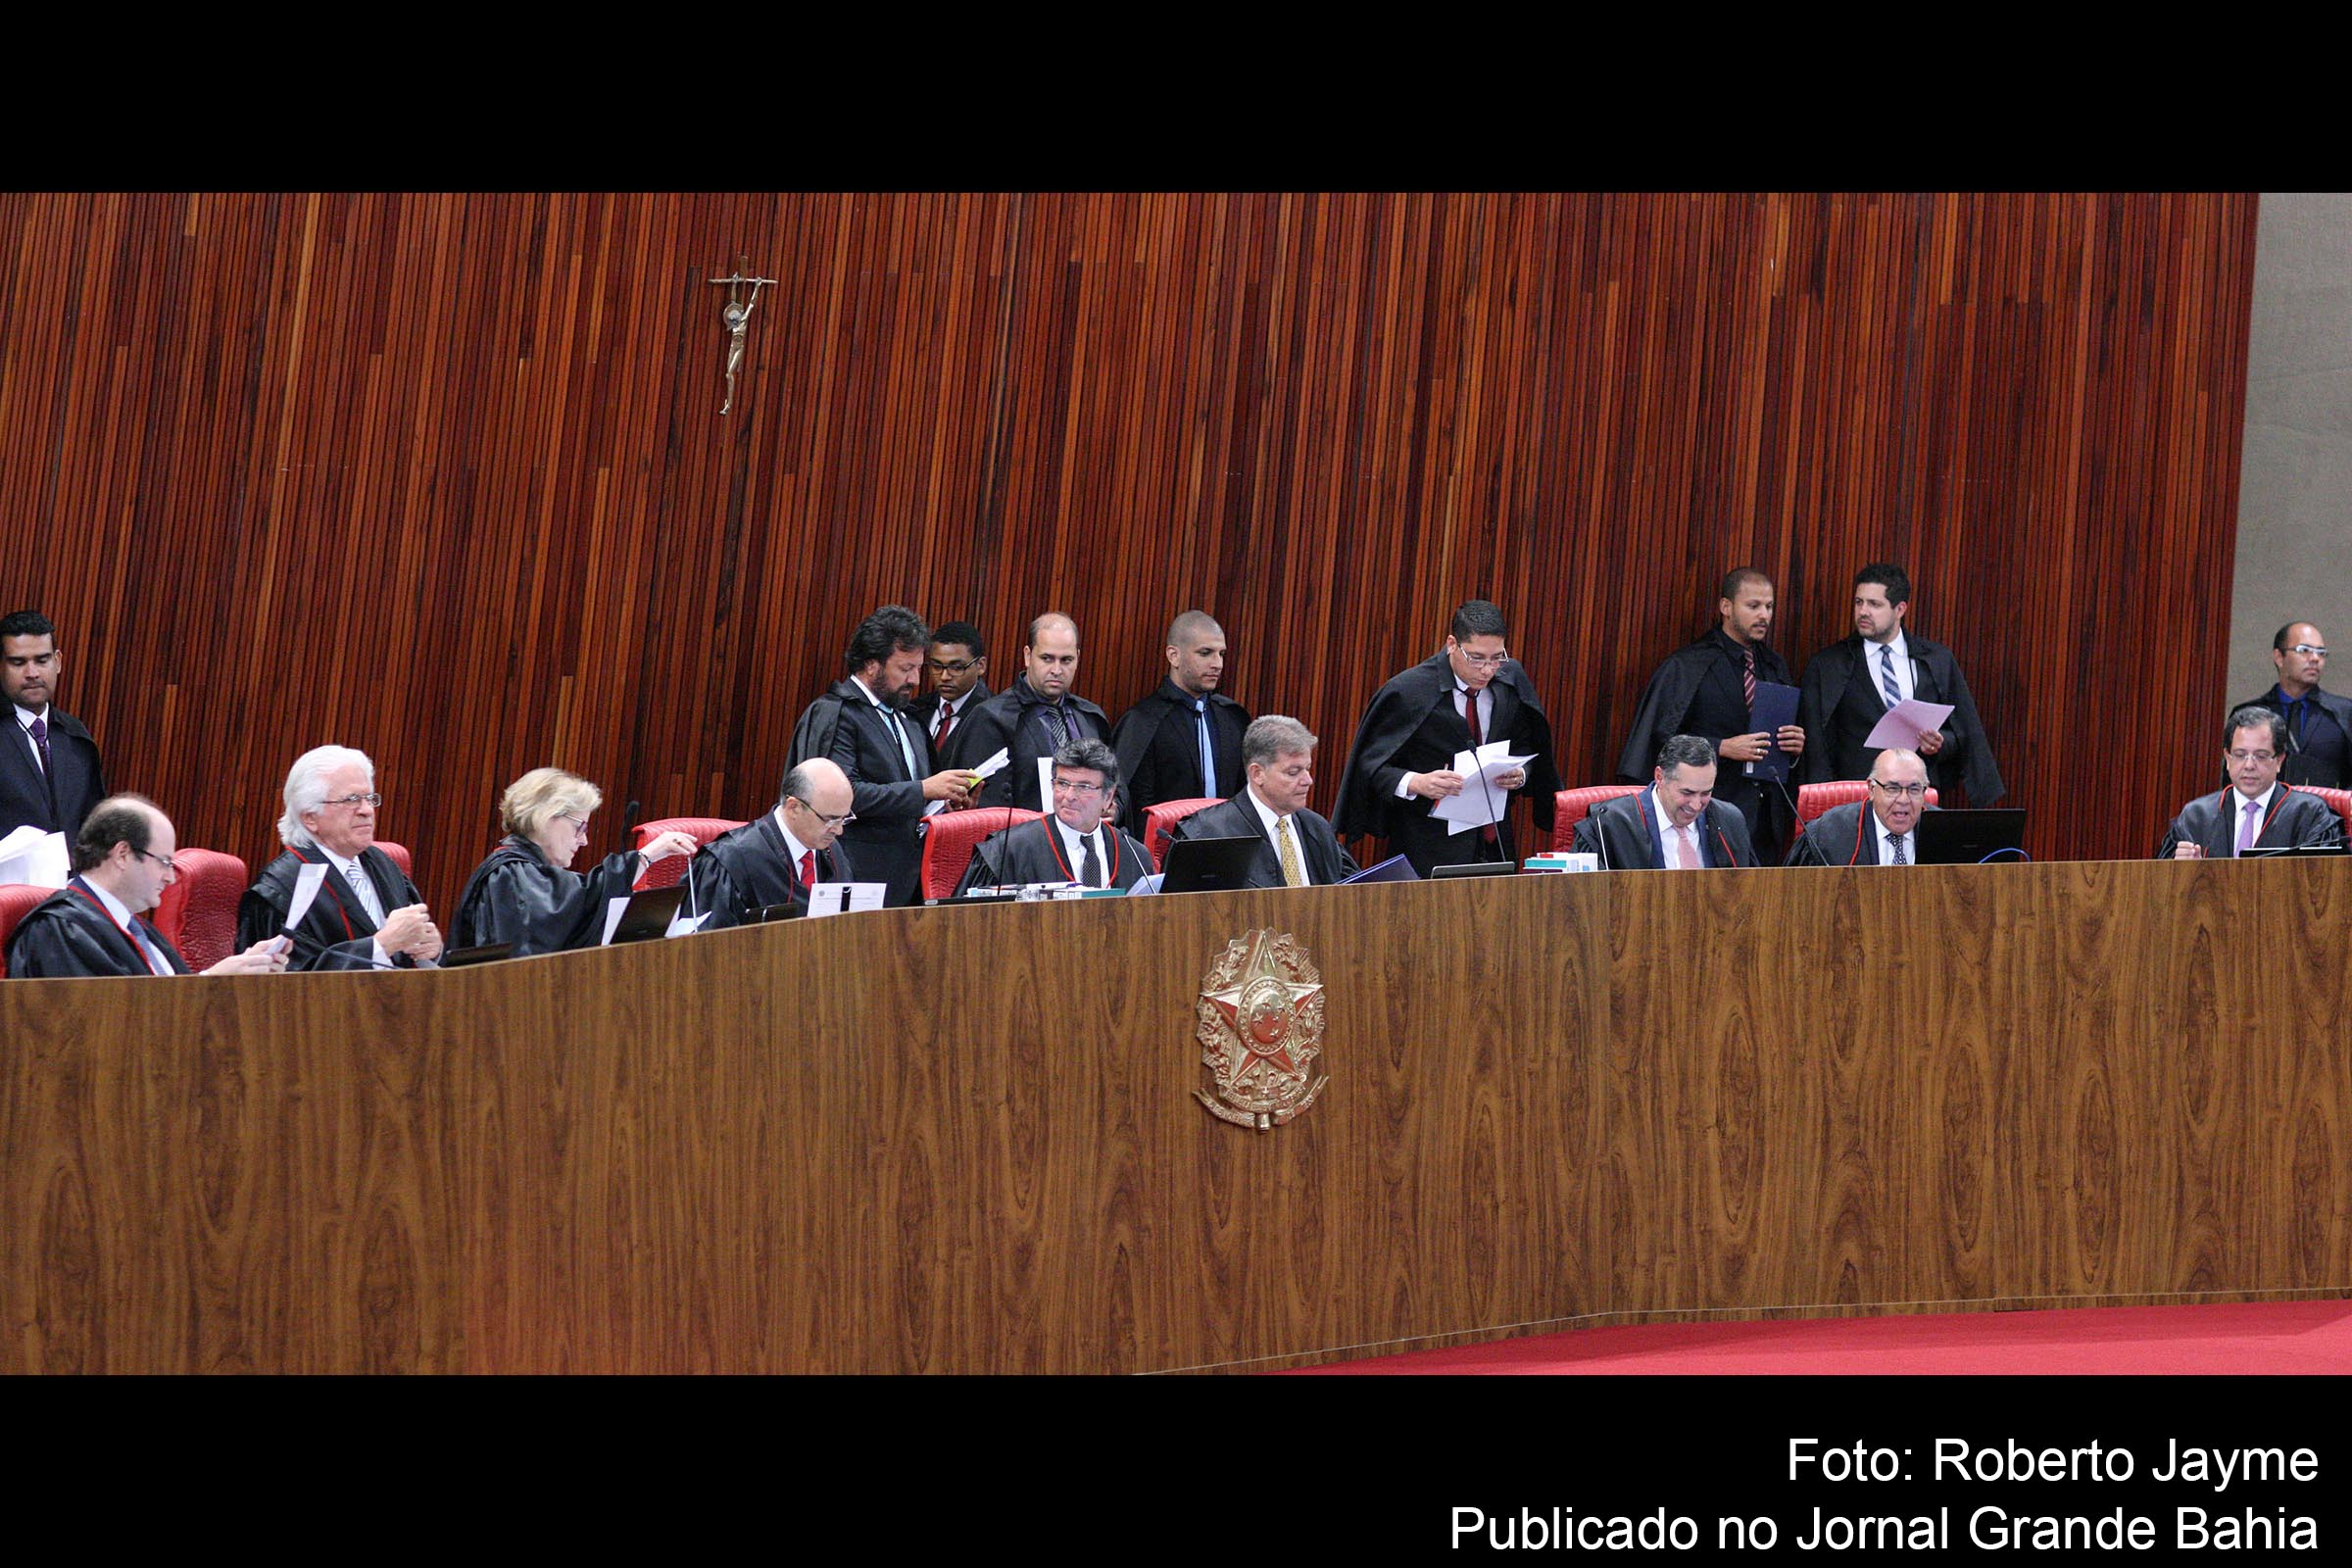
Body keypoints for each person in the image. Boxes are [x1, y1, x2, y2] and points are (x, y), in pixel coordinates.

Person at [1332, 600, 1561, 874]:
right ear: (1452, 644)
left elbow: (1529, 746)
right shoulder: (1409, 691)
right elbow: (1371, 767)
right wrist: (1416, 782)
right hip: (1428, 846)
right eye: (1476, 658)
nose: (1487, 670)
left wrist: (1521, 773)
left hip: (1495, 842)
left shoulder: (1509, 680)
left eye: (1496, 657)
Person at [788, 606, 973, 907]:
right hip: (853, 875)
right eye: (905, 668)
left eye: (918, 668)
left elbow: (914, 793)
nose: (915, 679)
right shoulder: (837, 714)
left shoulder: (908, 719)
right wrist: (923, 790)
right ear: (872, 664)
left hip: (909, 880)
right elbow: (838, 797)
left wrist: (943, 801)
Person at [1617, 568, 1806, 863]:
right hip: (1707, 810)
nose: (1764, 616)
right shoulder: (1689, 665)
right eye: (1753, 606)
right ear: (1726, 607)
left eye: (1769, 607)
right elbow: (1663, 739)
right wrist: (1722, 747)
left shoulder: (1774, 666)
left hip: (1766, 818)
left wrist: (1794, 745)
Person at [7, 795, 290, 978]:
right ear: (122, 854)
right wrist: (211, 982)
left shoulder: (138, 928)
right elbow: (108, 1024)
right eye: (164, 862)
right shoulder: (60, 930)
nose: (170, 877)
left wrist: (239, 972)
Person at [1795, 563, 2004, 806]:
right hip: (1856, 802)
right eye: (1859, 602)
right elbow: (1816, 746)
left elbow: (1963, 732)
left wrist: (1939, 742)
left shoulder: (1936, 660)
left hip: (1918, 799)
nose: (1863, 612)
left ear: (1900, 609)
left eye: (1874, 604)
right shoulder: (1829, 664)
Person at [450, 768, 702, 956]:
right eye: (580, 827)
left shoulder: (526, 872)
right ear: (547, 817)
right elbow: (570, 905)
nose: (584, 841)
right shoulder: (510, 873)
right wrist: (645, 857)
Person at [238, 745, 443, 971]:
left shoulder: (383, 865)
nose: (367, 810)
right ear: (310, 818)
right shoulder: (281, 889)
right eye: (351, 800)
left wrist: (428, 950)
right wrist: (382, 945)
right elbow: (289, 981)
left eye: (369, 798)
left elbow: (409, 955)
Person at [940, 612, 1110, 812]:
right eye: (1047, 658)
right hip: (1020, 830)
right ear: (1028, 656)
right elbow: (983, 804)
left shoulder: (1090, 717)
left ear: (1078, 659)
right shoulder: (991, 718)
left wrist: (1113, 806)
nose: (1056, 670)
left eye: (1066, 660)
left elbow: (1115, 785)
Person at [1166, 715, 1358, 888]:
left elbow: (1353, 891)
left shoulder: (1317, 827)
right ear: (1257, 773)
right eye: (1293, 772)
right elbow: (1182, 909)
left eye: (1307, 769)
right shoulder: (1207, 834)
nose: (1308, 780)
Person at [1108, 610, 1250, 836]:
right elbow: (1135, 807)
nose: (1218, 664)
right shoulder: (1142, 722)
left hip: (1228, 844)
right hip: (1165, 848)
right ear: (1173, 656)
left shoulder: (1233, 718)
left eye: (1221, 654)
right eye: (1205, 653)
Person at [955, 739, 1153, 892]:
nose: (1069, 796)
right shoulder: (1007, 851)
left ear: (1108, 797)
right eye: (1062, 784)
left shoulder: (1134, 855)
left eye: (1084, 787)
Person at [2156, 706, 2347, 858]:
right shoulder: (2196, 817)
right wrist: (2186, 871)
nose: (2249, 765)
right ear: (2227, 758)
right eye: (2240, 755)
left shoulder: (2310, 814)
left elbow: (2323, 884)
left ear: (2279, 760)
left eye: (2261, 756)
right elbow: (2162, 886)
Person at [689, 759, 861, 925]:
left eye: (843, 819)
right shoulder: (731, 860)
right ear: (794, 807)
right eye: (830, 819)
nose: (839, 830)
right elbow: (710, 939)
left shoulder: (832, 852)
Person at [1, 609, 109, 849]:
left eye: (42, 660)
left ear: (57, 661)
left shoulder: (76, 736)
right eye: (18, 662)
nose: (32, 673)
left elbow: (93, 826)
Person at [1572, 735, 1757, 869]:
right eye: (1687, 792)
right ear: (1660, 777)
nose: (1696, 805)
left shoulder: (1730, 820)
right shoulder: (1608, 825)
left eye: (1705, 793)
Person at [2236, 622, 2352, 788]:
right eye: (2304, 650)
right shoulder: (2250, 713)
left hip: (2328, 804)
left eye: (2321, 653)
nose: (2315, 658)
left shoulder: (2344, 713)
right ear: (2279, 657)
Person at [1785, 749, 1935, 866]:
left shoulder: (1944, 829)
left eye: (1914, 789)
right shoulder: (1825, 834)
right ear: (1871, 789)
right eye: (1892, 789)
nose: (1903, 799)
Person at [908, 620, 991, 756]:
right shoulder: (914, 710)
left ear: (980, 666)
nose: (944, 676)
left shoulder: (992, 718)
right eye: (937, 666)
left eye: (956, 668)